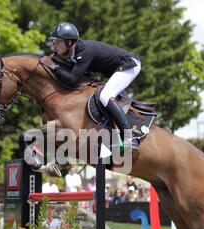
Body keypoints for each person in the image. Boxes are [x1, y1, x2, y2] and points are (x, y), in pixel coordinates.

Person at [42, 22, 142, 150]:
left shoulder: (84, 51)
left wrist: (52, 66)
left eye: (58, 42)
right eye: (54, 42)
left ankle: (130, 137)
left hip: (129, 65)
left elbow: (72, 79)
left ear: (69, 42)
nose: (55, 45)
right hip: (117, 69)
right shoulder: (74, 53)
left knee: (106, 95)